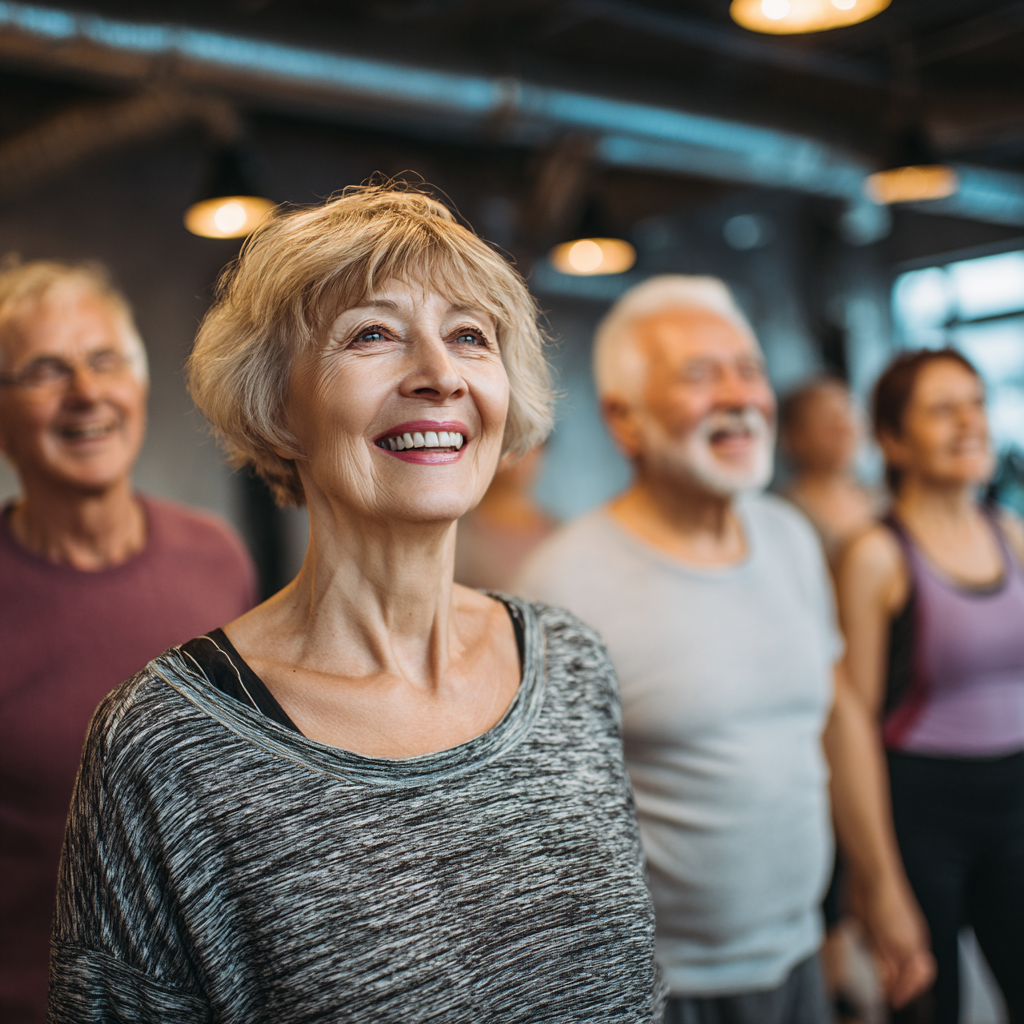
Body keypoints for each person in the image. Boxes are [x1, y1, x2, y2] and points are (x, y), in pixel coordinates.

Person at [48, 187, 664, 1023]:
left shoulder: (573, 664)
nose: (440, 376)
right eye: (371, 334)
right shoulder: (165, 744)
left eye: (469, 337)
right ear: (277, 404)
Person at [515, 275, 934, 1024]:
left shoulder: (789, 537)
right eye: (699, 377)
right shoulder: (561, 584)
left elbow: (836, 716)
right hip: (662, 985)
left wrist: (880, 884)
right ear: (625, 420)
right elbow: (543, 827)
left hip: (804, 951)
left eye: (749, 370)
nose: (738, 396)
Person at [0, 260, 257, 1024]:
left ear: (141, 385)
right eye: (46, 370)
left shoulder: (216, 555)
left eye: (105, 360)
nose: (87, 393)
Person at [836, 348, 1024, 1024]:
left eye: (976, 404)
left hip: (1015, 803)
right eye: (943, 410)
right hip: (922, 815)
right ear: (892, 438)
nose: (969, 423)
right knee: (929, 1010)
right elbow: (851, 719)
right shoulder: (877, 555)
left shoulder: (1011, 534)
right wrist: (878, 884)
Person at [780, 376, 881, 565]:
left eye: (848, 413)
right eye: (826, 418)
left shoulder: (884, 498)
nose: (843, 427)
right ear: (795, 436)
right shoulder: (783, 513)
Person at [454, 444, 556, 590]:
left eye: (532, 448)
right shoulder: (459, 535)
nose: (521, 458)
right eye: (513, 447)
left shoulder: (558, 533)